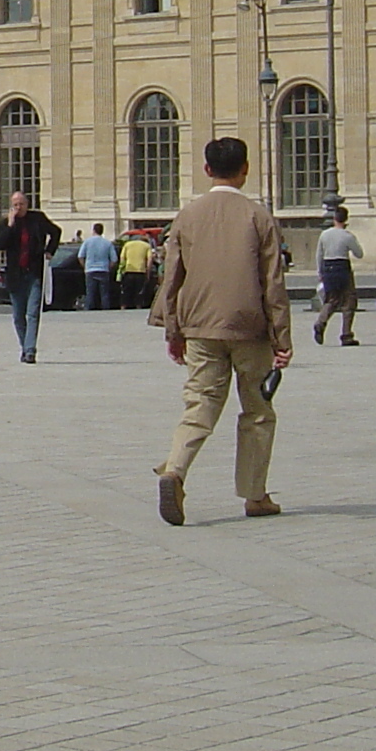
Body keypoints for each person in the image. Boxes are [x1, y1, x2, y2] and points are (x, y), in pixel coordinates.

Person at [149, 138, 292, 525]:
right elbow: (273, 283)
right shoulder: (258, 217)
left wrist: (172, 329)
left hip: (200, 327)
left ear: (207, 170)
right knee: (257, 412)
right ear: (245, 169)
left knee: (199, 406)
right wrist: (283, 339)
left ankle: (175, 470)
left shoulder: (188, 216)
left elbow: (173, 278)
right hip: (251, 329)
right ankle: (255, 494)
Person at [0, 191, 60, 363]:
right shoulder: (8, 223)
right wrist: (10, 225)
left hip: (33, 273)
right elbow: (0, 244)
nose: (18, 207)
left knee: (33, 313)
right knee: (18, 316)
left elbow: (56, 232)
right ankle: (24, 346)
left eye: (21, 204)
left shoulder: (37, 218)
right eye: (15, 204)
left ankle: (30, 351)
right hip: (15, 275)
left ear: (27, 204)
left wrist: (49, 251)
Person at [312, 204, 362, 347]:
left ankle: (320, 322)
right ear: (346, 219)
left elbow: (319, 255)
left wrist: (319, 272)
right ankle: (346, 334)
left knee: (331, 299)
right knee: (349, 301)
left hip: (328, 267)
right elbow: (359, 254)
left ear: (334, 219)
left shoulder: (325, 234)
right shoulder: (347, 236)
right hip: (342, 267)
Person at [79, 224, 117, 310]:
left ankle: (89, 310)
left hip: (90, 270)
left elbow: (80, 256)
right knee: (105, 294)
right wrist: (108, 267)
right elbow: (114, 259)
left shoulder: (87, 242)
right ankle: (105, 309)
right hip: (103, 270)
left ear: (93, 230)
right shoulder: (107, 243)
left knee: (90, 293)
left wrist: (85, 267)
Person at [116, 230, 153, 311]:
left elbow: (122, 259)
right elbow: (149, 260)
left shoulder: (127, 245)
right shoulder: (147, 246)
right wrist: (148, 273)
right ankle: (138, 307)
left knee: (126, 291)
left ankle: (123, 307)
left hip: (128, 271)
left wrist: (120, 271)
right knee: (139, 291)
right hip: (140, 271)